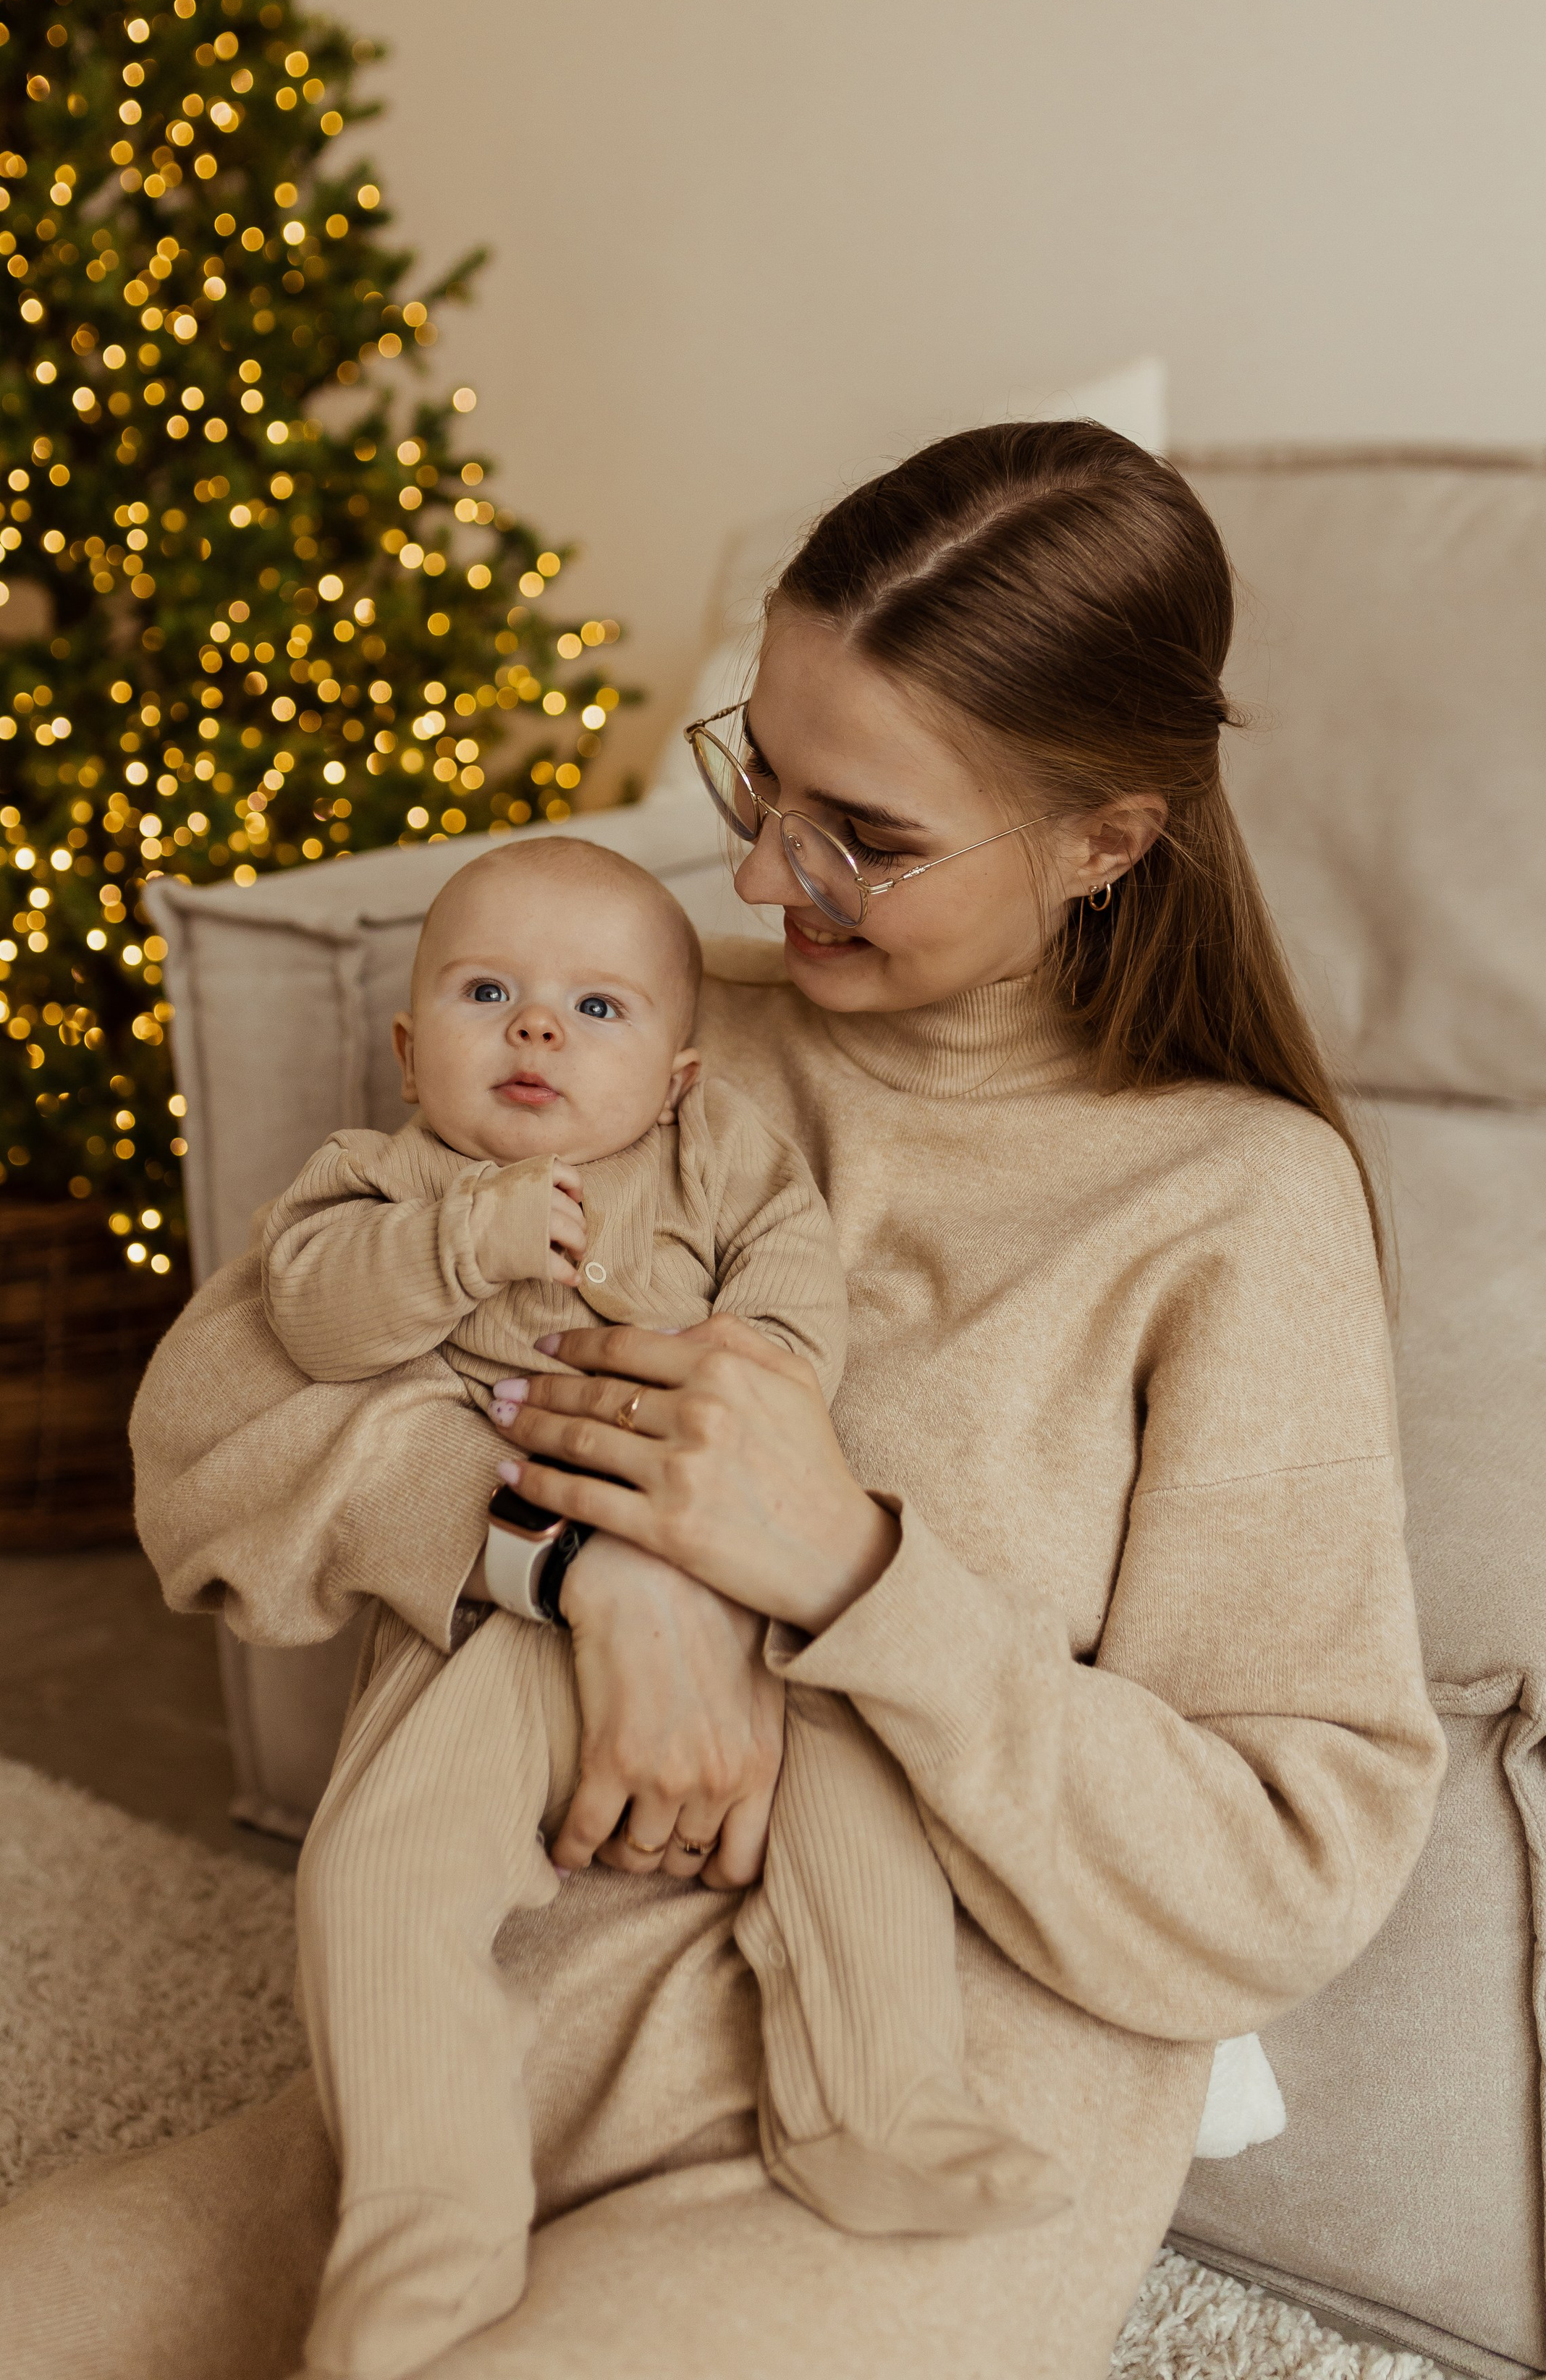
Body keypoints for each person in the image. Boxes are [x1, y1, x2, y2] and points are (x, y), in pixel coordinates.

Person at [0, 423, 1445, 2380]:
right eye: (761, 778)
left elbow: (1283, 1868)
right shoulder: (640, 1039)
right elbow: (210, 1436)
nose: (759, 869)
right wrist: (575, 1564)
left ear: (1104, 842)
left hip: (898, 2138)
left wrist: (851, 1573)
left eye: (860, 836)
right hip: (464, 2070)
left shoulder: (1232, 1204)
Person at [258, 838, 1055, 2378]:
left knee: (859, 1793)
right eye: (488, 993)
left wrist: (736, 1378)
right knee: (372, 1873)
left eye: (596, 1009)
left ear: (682, 1071)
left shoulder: (718, 1158)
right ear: (412, 1049)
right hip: (494, 1620)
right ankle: (425, 2238)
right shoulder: (382, 1181)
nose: (537, 1031)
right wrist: (450, 1243)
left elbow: (793, 1302)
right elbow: (308, 1315)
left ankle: (875, 2105)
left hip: (731, 1586)